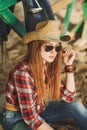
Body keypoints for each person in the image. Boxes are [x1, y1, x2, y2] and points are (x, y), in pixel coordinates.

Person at [2, 20, 87, 130]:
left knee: (75, 106)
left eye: (57, 47)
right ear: (36, 47)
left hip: (39, 110)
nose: (54, 52)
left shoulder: (46, 66)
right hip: (16, 117)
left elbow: (68, 97)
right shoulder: (23, 72)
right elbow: (31, 117)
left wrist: (69, 66)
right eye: (48, 47)